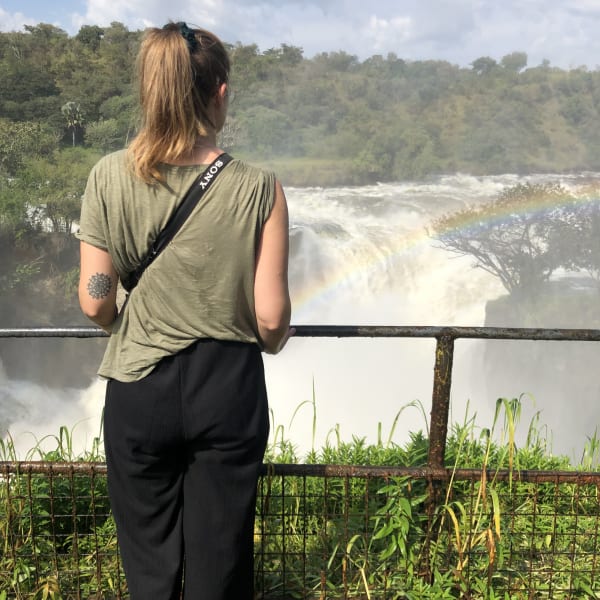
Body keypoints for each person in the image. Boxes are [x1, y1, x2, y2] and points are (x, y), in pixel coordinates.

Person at [76, 21, 292, 600]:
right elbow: (270, 320)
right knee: (219, 565)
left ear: (150, 88)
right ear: (219, 91)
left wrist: (128, 327)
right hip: (227, 389)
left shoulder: (106, 177)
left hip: (138, 386)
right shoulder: (260, 188)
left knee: (149, 566)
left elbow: (96, 299)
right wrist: (262, 339)